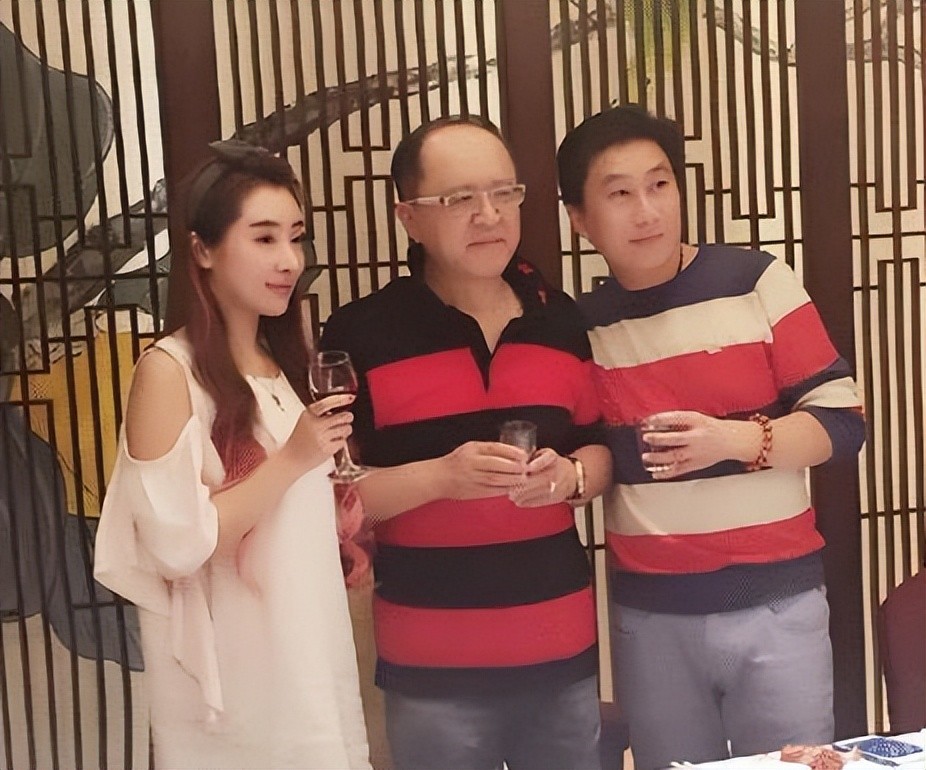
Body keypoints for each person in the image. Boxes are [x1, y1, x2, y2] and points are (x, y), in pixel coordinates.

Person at [556, 104, 866, 770]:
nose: (647, 211)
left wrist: (733, 442)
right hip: (652, 620)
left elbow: (843, 422)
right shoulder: (583, 327)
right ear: (579, 219)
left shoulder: (756, 281)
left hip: (778, 606)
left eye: (659, 184)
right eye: (620, 194)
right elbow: (587, 451)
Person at [320, 115, 612, 770]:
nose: (490, 215)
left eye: (504, 193)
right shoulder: (362, 334)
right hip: (431, 670)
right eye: (460, 199)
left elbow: (598, 446)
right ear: (409, 217)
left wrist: (569, 478)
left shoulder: (560, 319)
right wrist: (441, 477)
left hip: (558, 651)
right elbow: (331, 498)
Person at [93, 140, 371, 770]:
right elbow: (175, 544)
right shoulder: (170, 371)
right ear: (202, 250)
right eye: (264, 238)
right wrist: (293, 458)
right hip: (237, 683)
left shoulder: (286, 366)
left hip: (307, 657)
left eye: (296, 238)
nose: (289, 260)